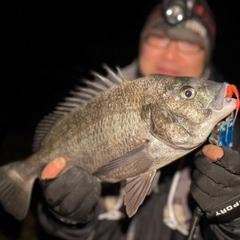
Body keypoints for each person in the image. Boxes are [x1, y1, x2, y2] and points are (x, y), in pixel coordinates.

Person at [36, 0, 240, 239]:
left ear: (208, 56)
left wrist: (233, 220)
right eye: (158, 38)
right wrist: (65, 221)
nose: (170, 53)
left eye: (188, 43)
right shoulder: (107, 97)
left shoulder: (234, 137)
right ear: (140, 43)